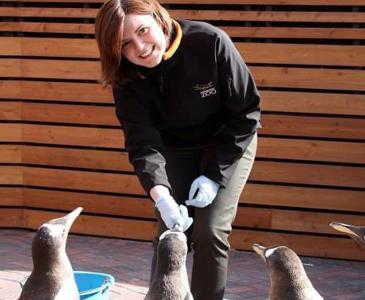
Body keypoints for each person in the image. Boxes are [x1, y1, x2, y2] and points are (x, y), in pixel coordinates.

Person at [95, 1, 261, 299]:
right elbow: (142, 142)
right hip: (174, 147)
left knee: (209, 232)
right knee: (170, 235)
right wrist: (161, 197)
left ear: (159, 18)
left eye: (143, 31)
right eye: (126, 44)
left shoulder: (210, 42)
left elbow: (246, 113)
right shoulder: (125, 76)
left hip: (228, 141)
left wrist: (213, 177)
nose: (141, 48)